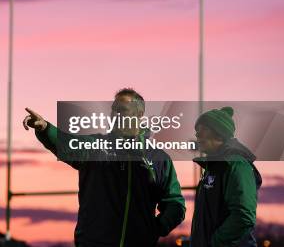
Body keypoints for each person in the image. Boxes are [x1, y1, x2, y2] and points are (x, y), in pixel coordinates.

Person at [23, 88, 185, 247]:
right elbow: (66, 143)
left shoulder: (159, 158)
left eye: (122, 110)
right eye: (114, 109)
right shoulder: (95, 146)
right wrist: (45, 129)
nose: (116, 114)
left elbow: (175, 203)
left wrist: (154, 229)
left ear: (139, 114)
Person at [191, 106, 262, 247]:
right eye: (196, 130)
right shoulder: (214, 168)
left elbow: (243, 217)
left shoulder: (236, 165)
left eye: (203, 129)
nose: (197, 135)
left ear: (219, 133)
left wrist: (215, 243)